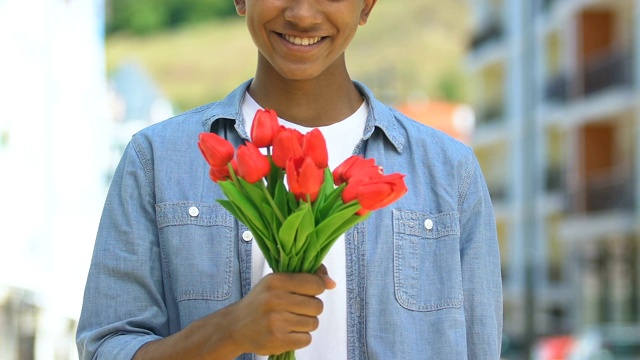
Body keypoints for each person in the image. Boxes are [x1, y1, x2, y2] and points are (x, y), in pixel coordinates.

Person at [76, 0, 503, 359]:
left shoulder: (450, 172)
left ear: (368, 4)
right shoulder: (157, 159)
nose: (301, 14)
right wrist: (227, 332)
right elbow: (106, 346)